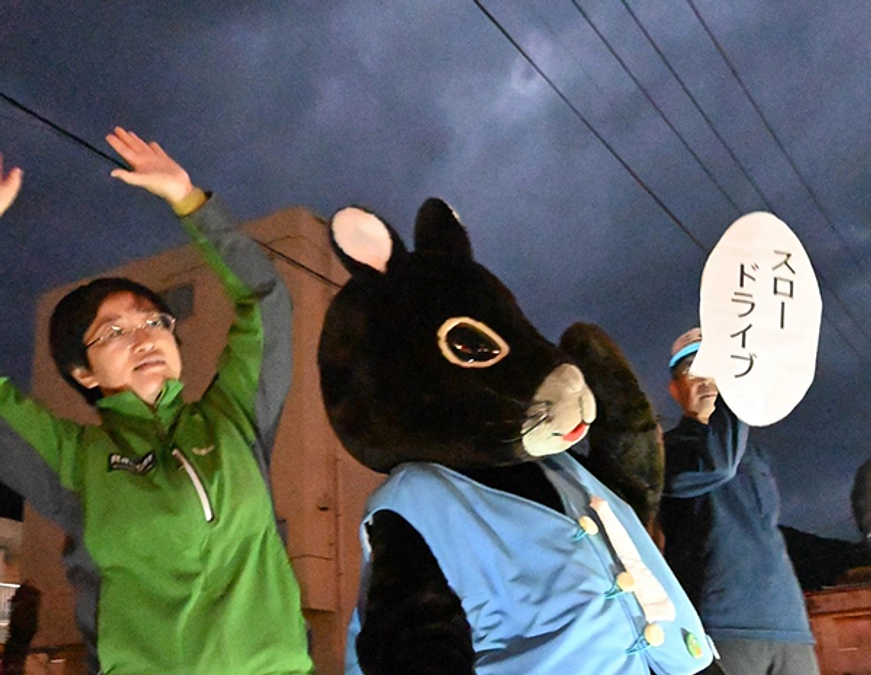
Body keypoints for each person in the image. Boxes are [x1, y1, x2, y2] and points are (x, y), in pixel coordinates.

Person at [0, 130, 313, 674]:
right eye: (113, 332)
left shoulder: (233, 419)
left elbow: (266, 301)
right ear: (82, 372)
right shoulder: (74, 460)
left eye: (154, 322)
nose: (144, 338)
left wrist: (189, 202)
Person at [659, 327, 819, 675]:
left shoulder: (751, 449)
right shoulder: (663, 451)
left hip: (788, 625)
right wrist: (737, 392)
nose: (706, 379)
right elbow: (716, 465)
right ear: (675, 389)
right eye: (692, 369)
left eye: (716, 367)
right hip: (716, 624)